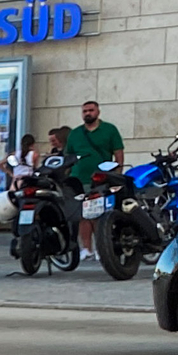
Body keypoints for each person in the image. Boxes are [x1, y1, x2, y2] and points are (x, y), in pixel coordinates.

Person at [64, 100, 124, 260]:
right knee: (83, 215)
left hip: (102, 179)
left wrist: (117, 175)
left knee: (99, 215)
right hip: (78, 179)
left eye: (91, 110)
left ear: (98, 112)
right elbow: (68, 157)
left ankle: (101, 248)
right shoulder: (75, 133)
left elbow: (118, 153)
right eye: (84, 111)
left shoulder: (110, 130)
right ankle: (87, 248)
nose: (87, 113)